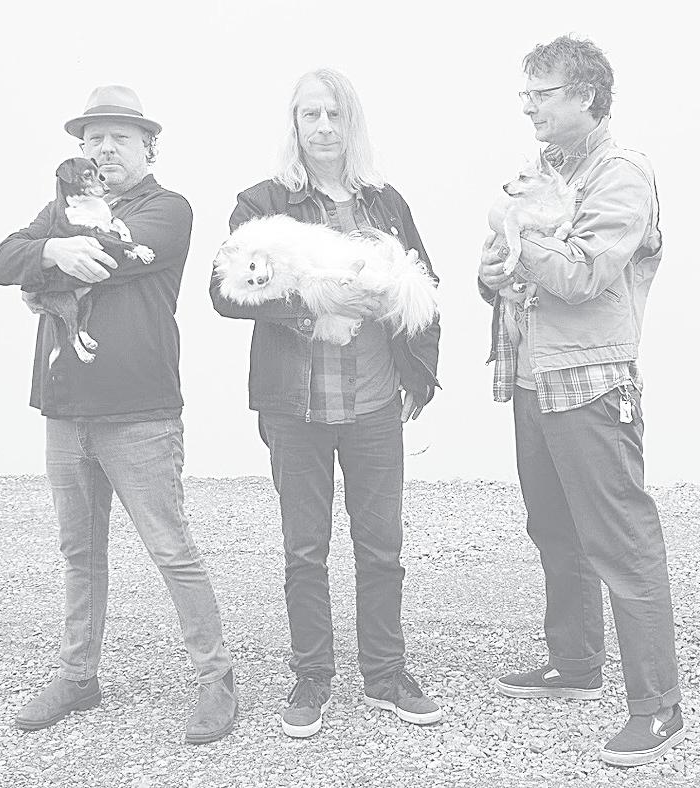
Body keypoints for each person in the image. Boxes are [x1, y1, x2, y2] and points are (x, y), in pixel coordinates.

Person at [0, 85, 237, 744]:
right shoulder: (60, 209)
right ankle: (79, 677)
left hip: (139, 411)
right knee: (79, 553)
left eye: (119, 137)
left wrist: (47, 263)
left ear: (148, 147)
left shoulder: (167, 208)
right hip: (65, 409)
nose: (104, 148)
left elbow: (114, 257)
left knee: (170, 548)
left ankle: (215, 677)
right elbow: (0, 260)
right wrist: (50, 254)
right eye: (93, 138)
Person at [211, 68, 441, 738]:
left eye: (335, 114)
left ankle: (386, 675)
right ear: (295, 124)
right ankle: (312, 677)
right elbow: (224, 292)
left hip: (374, 403)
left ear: (352, 124)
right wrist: (311, 304)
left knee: (382, 548)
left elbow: (426, 288)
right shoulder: (261, 202)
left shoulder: (385, 204)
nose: (323, 127)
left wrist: (420, 377)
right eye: (311, 114)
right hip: (297, 406)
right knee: (305, 551)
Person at [478, 36, 683, 767]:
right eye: (526, 94)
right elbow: (505, 272)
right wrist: (494, 265)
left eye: (544, 93)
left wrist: (512, 235)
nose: (529, 106)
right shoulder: (545, 172)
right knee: (555, 530)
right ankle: (575, 664)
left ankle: (658, 706)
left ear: (587, 96)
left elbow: (584, 275)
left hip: (593, 384)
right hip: (534, 379)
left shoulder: (621, 175)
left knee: (621, 543)